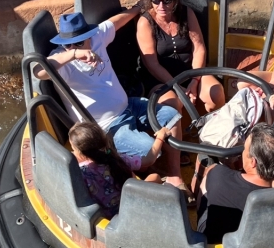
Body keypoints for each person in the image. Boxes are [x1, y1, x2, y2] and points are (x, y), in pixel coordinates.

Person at [41, 9, 182, 182]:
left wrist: (137, 9)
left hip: (129, 106)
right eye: (68, 44)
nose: (73, 47)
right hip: (108, 128)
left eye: (78, 43)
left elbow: (115, 22)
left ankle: (176, 174)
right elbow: (38, 70)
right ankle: (158, 170)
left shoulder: (97, 37)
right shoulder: (61, 60)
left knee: (172, 116)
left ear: (88, 36)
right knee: (149, 150)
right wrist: (74, 54)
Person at [137, 0, 225, 114]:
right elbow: (151, 64)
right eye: (156, 1)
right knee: (171, 104)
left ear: (174, 0)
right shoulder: (145, 22)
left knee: (216, 92)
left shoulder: (186, 13)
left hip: (190, 72)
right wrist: (176, 86)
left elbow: (199, 47)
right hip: (161, 79)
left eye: (167, 1)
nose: (161, 6)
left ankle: (215, 131)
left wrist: (195, 81)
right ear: (151, 0)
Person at [195, 124, 274, 242]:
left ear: (253, 162)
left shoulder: (218, 174)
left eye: (244, 149)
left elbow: (211, 170)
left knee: (206, 174)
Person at [68, 122, 165, 218]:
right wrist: (160, 137)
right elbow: (149, 159)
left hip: (111, 217)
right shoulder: (118, 159)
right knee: (155, 177)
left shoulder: (82, 173)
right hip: (133, 203)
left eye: (73, 149)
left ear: (81, 153)